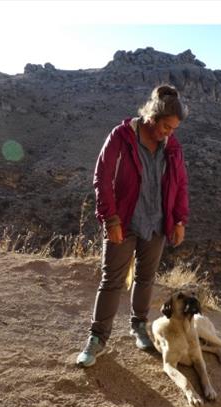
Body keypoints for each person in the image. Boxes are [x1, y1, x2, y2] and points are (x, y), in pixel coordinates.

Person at [77, 85, 189, 367]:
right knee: (111, 280)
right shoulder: (122, 135)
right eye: (166, 126)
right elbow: (102, 176)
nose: (169, 133)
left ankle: (139, 326)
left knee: (145, 278)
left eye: (174, 128)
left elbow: (181, 184)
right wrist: (110, 219)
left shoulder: (172, 146)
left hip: (156, 223)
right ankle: (97, 338)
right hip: (124, 221)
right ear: (151, 117)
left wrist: (178, 219)